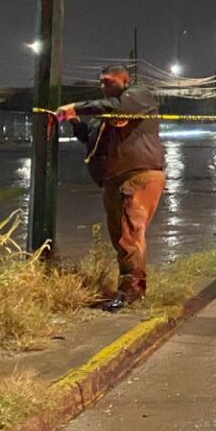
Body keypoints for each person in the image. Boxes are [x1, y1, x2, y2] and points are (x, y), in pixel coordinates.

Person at [55, 66, 165, 311]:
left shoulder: (138, 95)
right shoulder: (103, 112)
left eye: (109, 82)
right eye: (101, 83)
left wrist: (76, 107)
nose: (104, 87)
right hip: (113, 180)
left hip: (139, 175)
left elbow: (118, 108)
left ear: (124, 81)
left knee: (129, 235)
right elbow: (90, 139)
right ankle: (132, 288)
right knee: (120, 237)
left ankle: (131, 293)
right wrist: (74, 121)